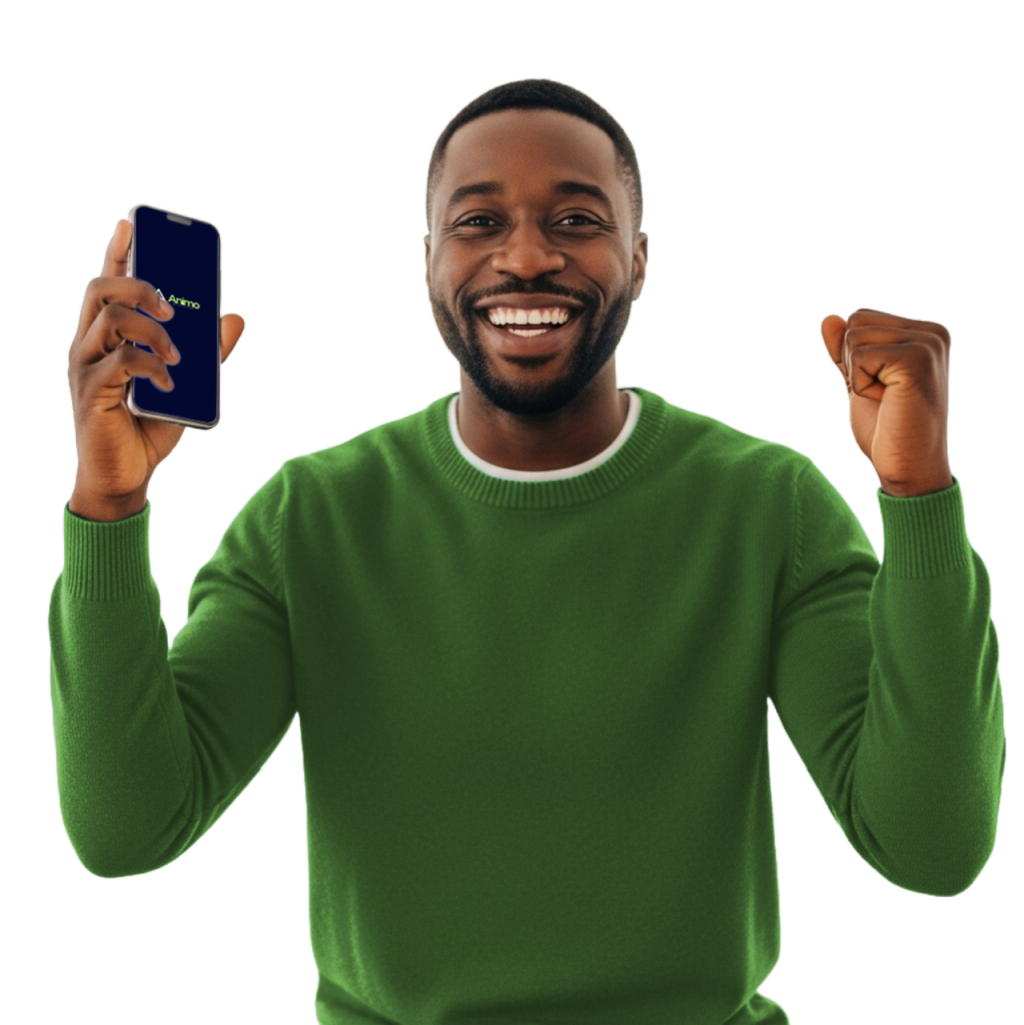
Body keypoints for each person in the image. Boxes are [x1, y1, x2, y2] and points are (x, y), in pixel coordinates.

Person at [49, 77, 1007, 1025]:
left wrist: (917, 495)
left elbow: (929, 845)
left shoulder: (765, 506)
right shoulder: (310, 519)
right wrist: (110, 502)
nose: (526, 256)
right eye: (477, 222)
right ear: (427, 263)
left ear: (638, 257)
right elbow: (126, 827)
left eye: (577, 219)